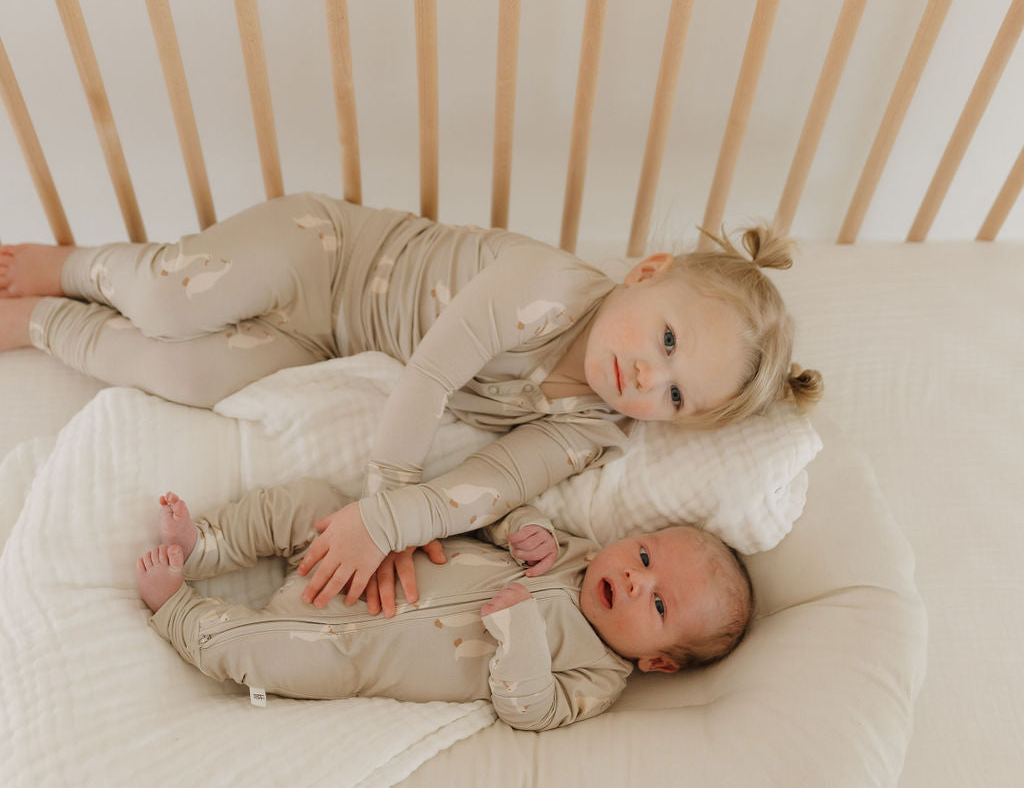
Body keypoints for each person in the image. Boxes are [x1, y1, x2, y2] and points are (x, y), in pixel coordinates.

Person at [0, 195, 821, 611]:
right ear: (645, 272)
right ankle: (70, 266)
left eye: (676, 397)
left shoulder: (592, 431)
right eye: (667, 341)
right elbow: (428, 376)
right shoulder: (549, 288)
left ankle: (41, 324)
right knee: (176, 300)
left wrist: (392, 528)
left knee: (185, 378)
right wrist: (384, 503)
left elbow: (490, 485)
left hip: (327, 343)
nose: (648, 379)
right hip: (325, 253)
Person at [135, 479, 754, 731]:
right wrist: (522, 527)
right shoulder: (574, 550)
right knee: (318, 505)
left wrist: (523, 635)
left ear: (661, 663)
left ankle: (179, 611)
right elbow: (486, 513)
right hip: (371, 566)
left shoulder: (598, 678)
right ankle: (208, 542)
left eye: (660, 607)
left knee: (277, 657)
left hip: (356, 650)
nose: (635, 579)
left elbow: (529, 710)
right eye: (644, 557)